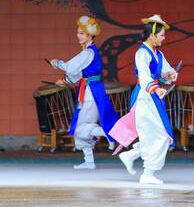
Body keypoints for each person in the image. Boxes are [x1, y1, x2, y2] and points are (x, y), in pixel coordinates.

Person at [50, 16, 119, 170]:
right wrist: (66, 81)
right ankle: (89, 161)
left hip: (91, 92)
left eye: (81, 33)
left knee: (81, 127)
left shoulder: (88, 52)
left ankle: (108, 132)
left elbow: (70, 66)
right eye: (78, 32)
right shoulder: (88, 53)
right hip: (88, 90)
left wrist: (58, 63)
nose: (78, 35)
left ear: (89, 35)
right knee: (80, 125)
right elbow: (79, 72)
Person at [116, 14, 178, 185]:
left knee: (156, 135)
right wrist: (156, 87)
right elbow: (144, 75)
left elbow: (166, 72)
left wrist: (169, 75)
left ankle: (131, 156)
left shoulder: (158, 53)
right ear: (152, 35)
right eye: (162, 35)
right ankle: (148, 172)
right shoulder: (141, 53)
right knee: (159, 135)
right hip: (144, 96)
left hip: (152, 97)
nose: (164, 38)